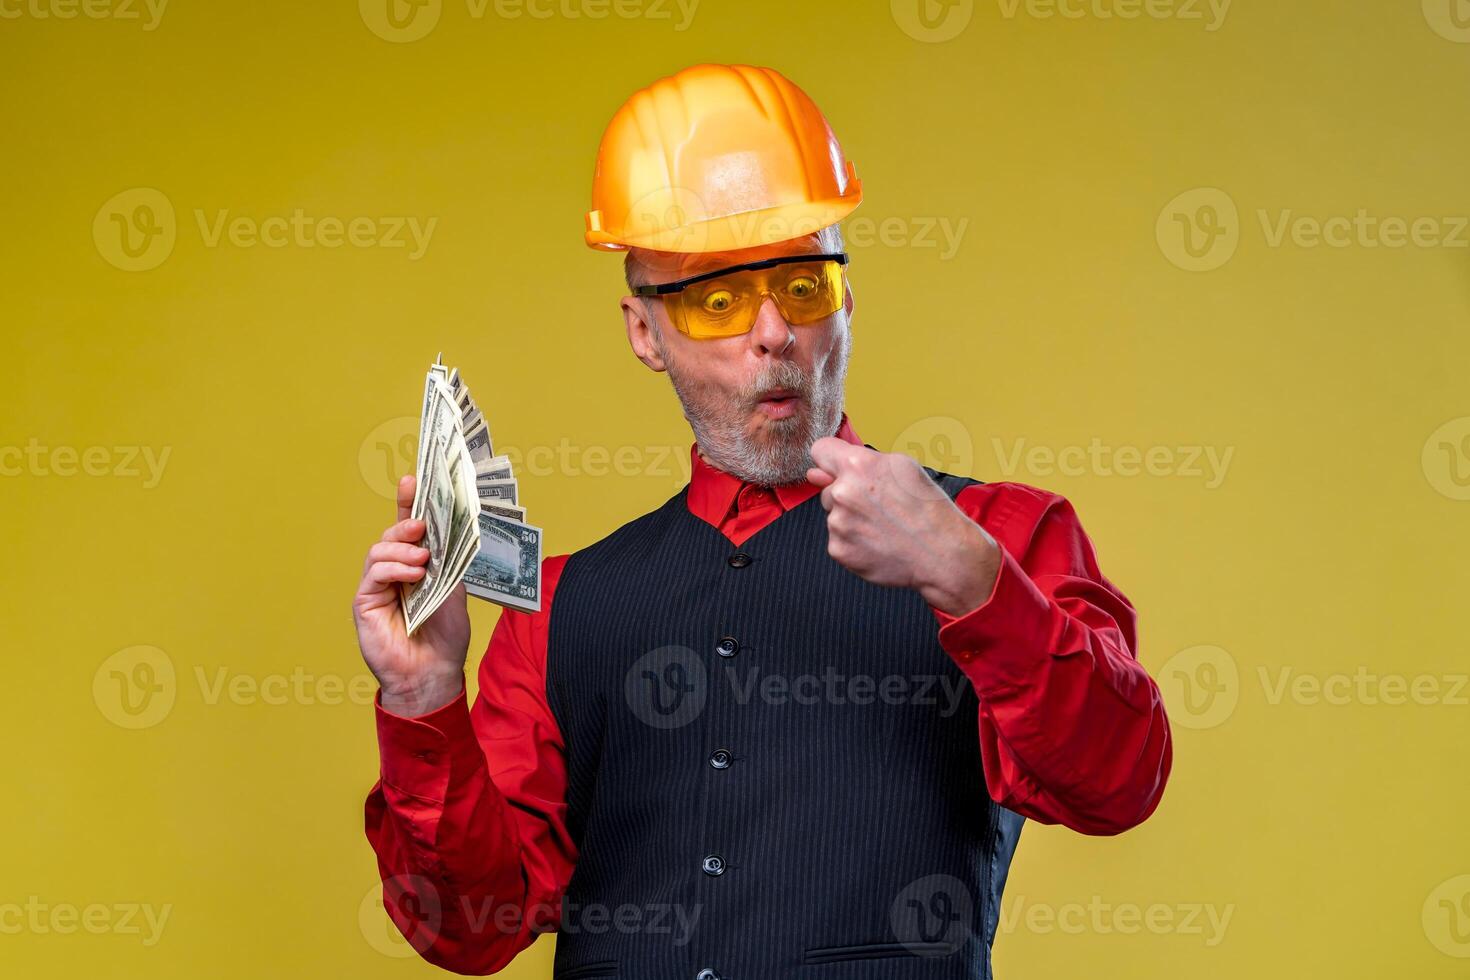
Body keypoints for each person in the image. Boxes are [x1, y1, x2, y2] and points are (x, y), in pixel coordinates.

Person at [353, 62, 1172, 980]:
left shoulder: (999, 537)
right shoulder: (556, 607)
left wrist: (975, 584)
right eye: (716, 300)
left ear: (848, 301)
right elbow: (470, 930)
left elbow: (1118, 783)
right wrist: (424, 700)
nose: (773, 331)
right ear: (642, 333)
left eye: (804, 285)